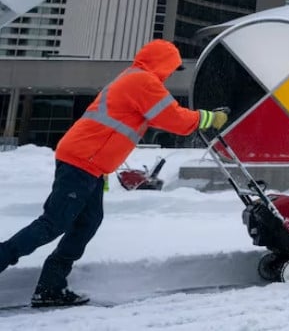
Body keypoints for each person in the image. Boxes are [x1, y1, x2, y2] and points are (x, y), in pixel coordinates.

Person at [0, 39, 229, 308]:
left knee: (87, 222)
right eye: (171, 68)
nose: (170, 75)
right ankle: (26, 271)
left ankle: (51, 286)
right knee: (54, 223)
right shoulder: (143, 81)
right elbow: (175, 119)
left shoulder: (136, 79)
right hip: (82, 159)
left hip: (91, 163)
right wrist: (209, 118)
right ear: (162, 63)